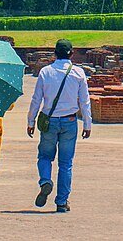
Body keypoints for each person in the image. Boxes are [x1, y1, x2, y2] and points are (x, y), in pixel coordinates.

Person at [27, 39, 92, 213]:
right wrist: (87, 123)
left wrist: (31, 121)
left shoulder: (46, 72)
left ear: (55, 53)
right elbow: (84, 101)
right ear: (72, 54)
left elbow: (36, 99)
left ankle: (45, 180)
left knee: (45, 156)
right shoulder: (78, 73)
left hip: (50, 121)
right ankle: (62, 202)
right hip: (69, 121)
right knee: (66, 163)